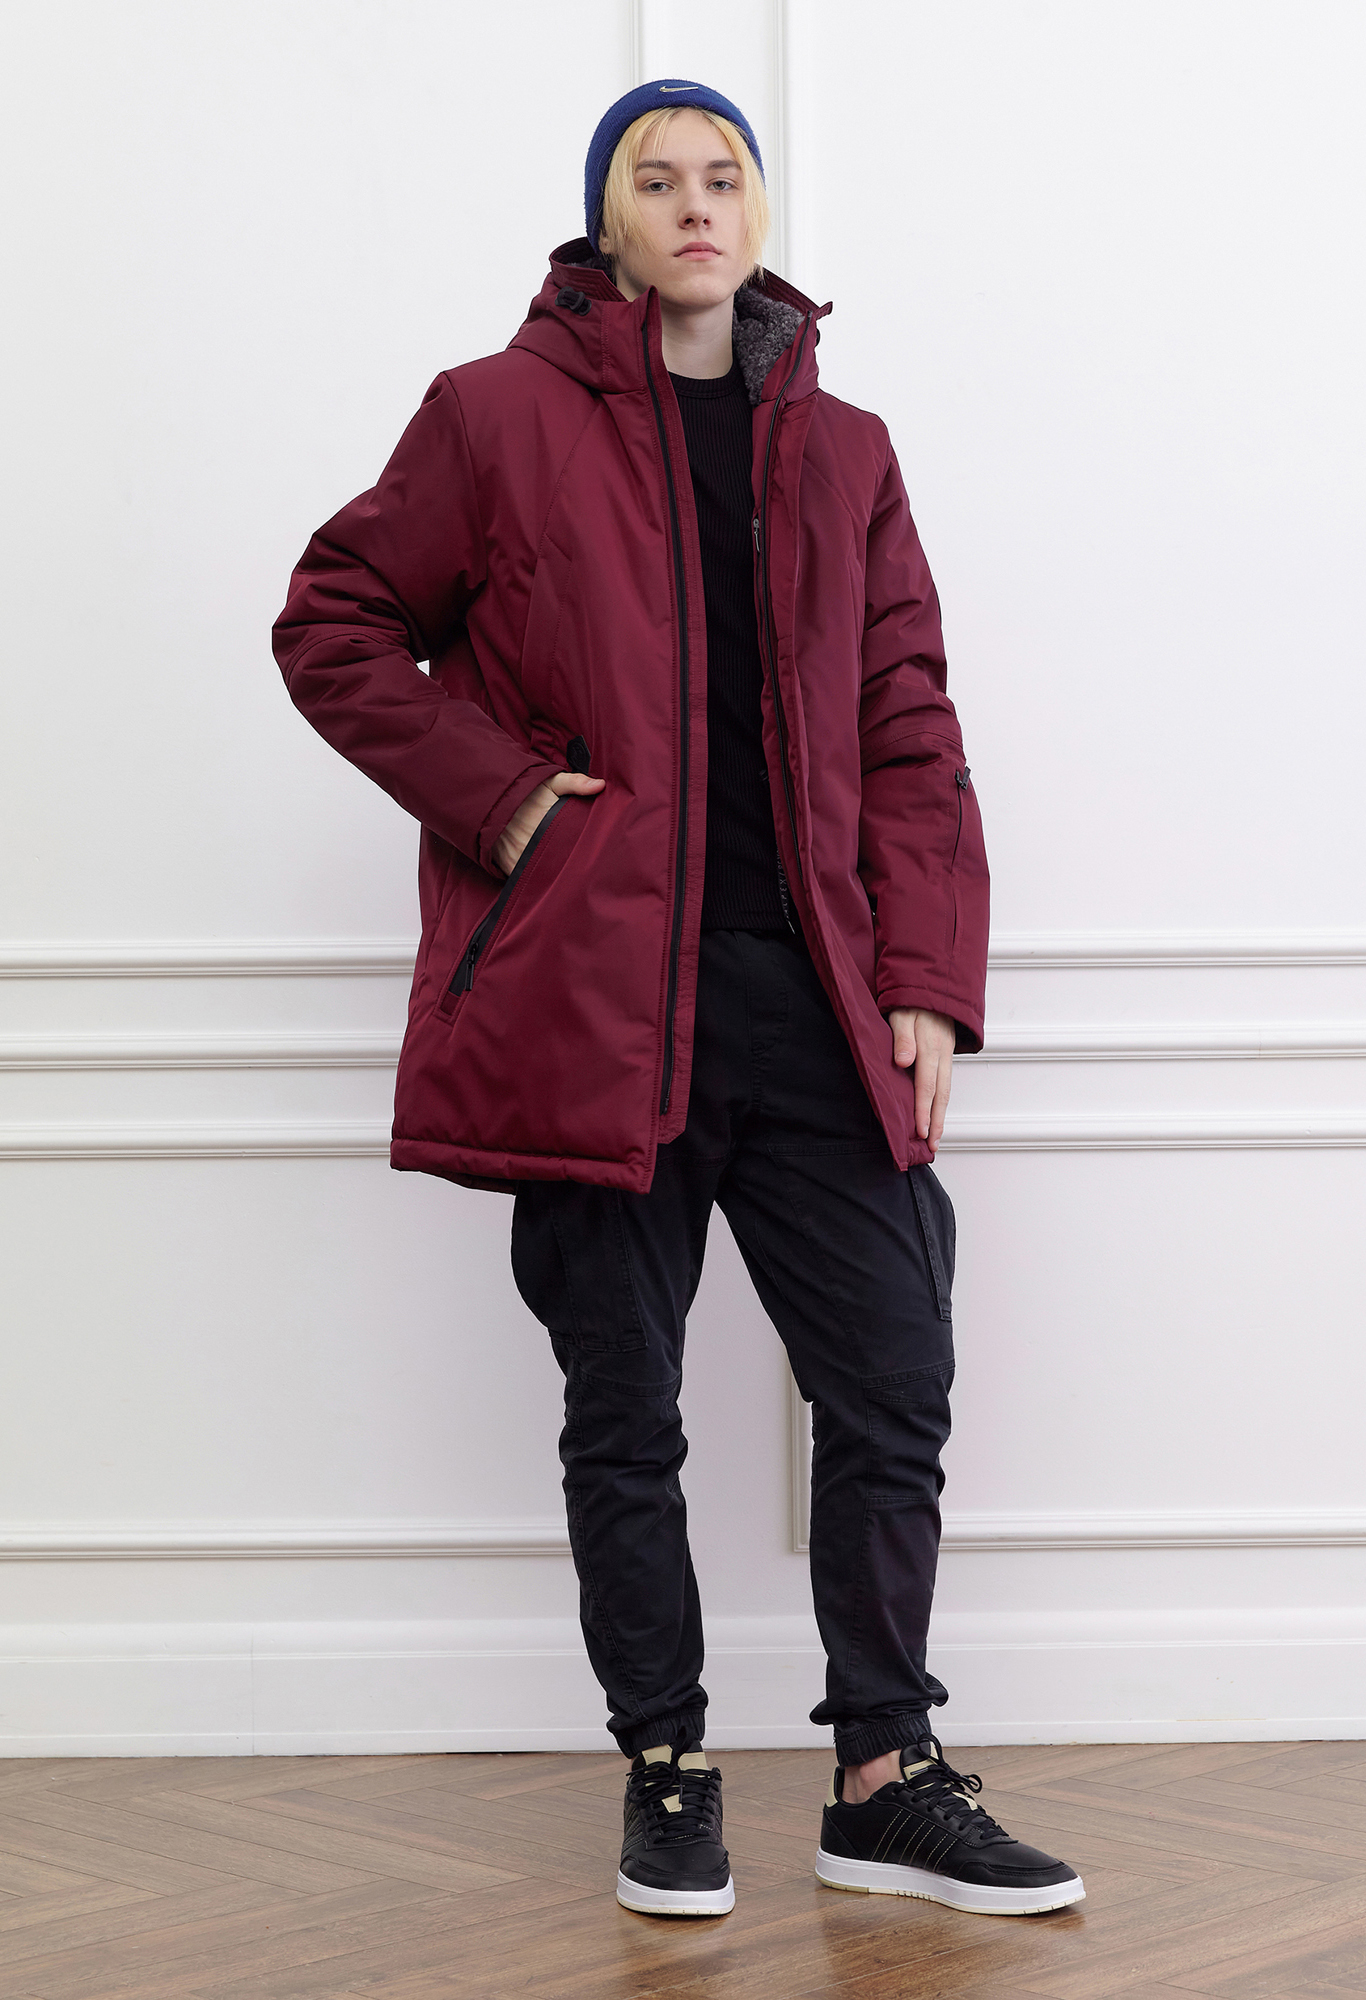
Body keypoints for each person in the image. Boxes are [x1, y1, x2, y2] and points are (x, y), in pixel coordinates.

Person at [272, 77, 1084, 1923]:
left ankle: (884, 1777)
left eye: (726, 177)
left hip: (814, 998)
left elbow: (907, 724)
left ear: (759, 212)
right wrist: (504, 797)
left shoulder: (847, 450)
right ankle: (666, 1764)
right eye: (659, 180)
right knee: (624, 1405)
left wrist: (925, 981)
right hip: (596, 998)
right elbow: (332, 621)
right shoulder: (492, 416)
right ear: (609, 222)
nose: (697, 204)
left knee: (894, 1373)